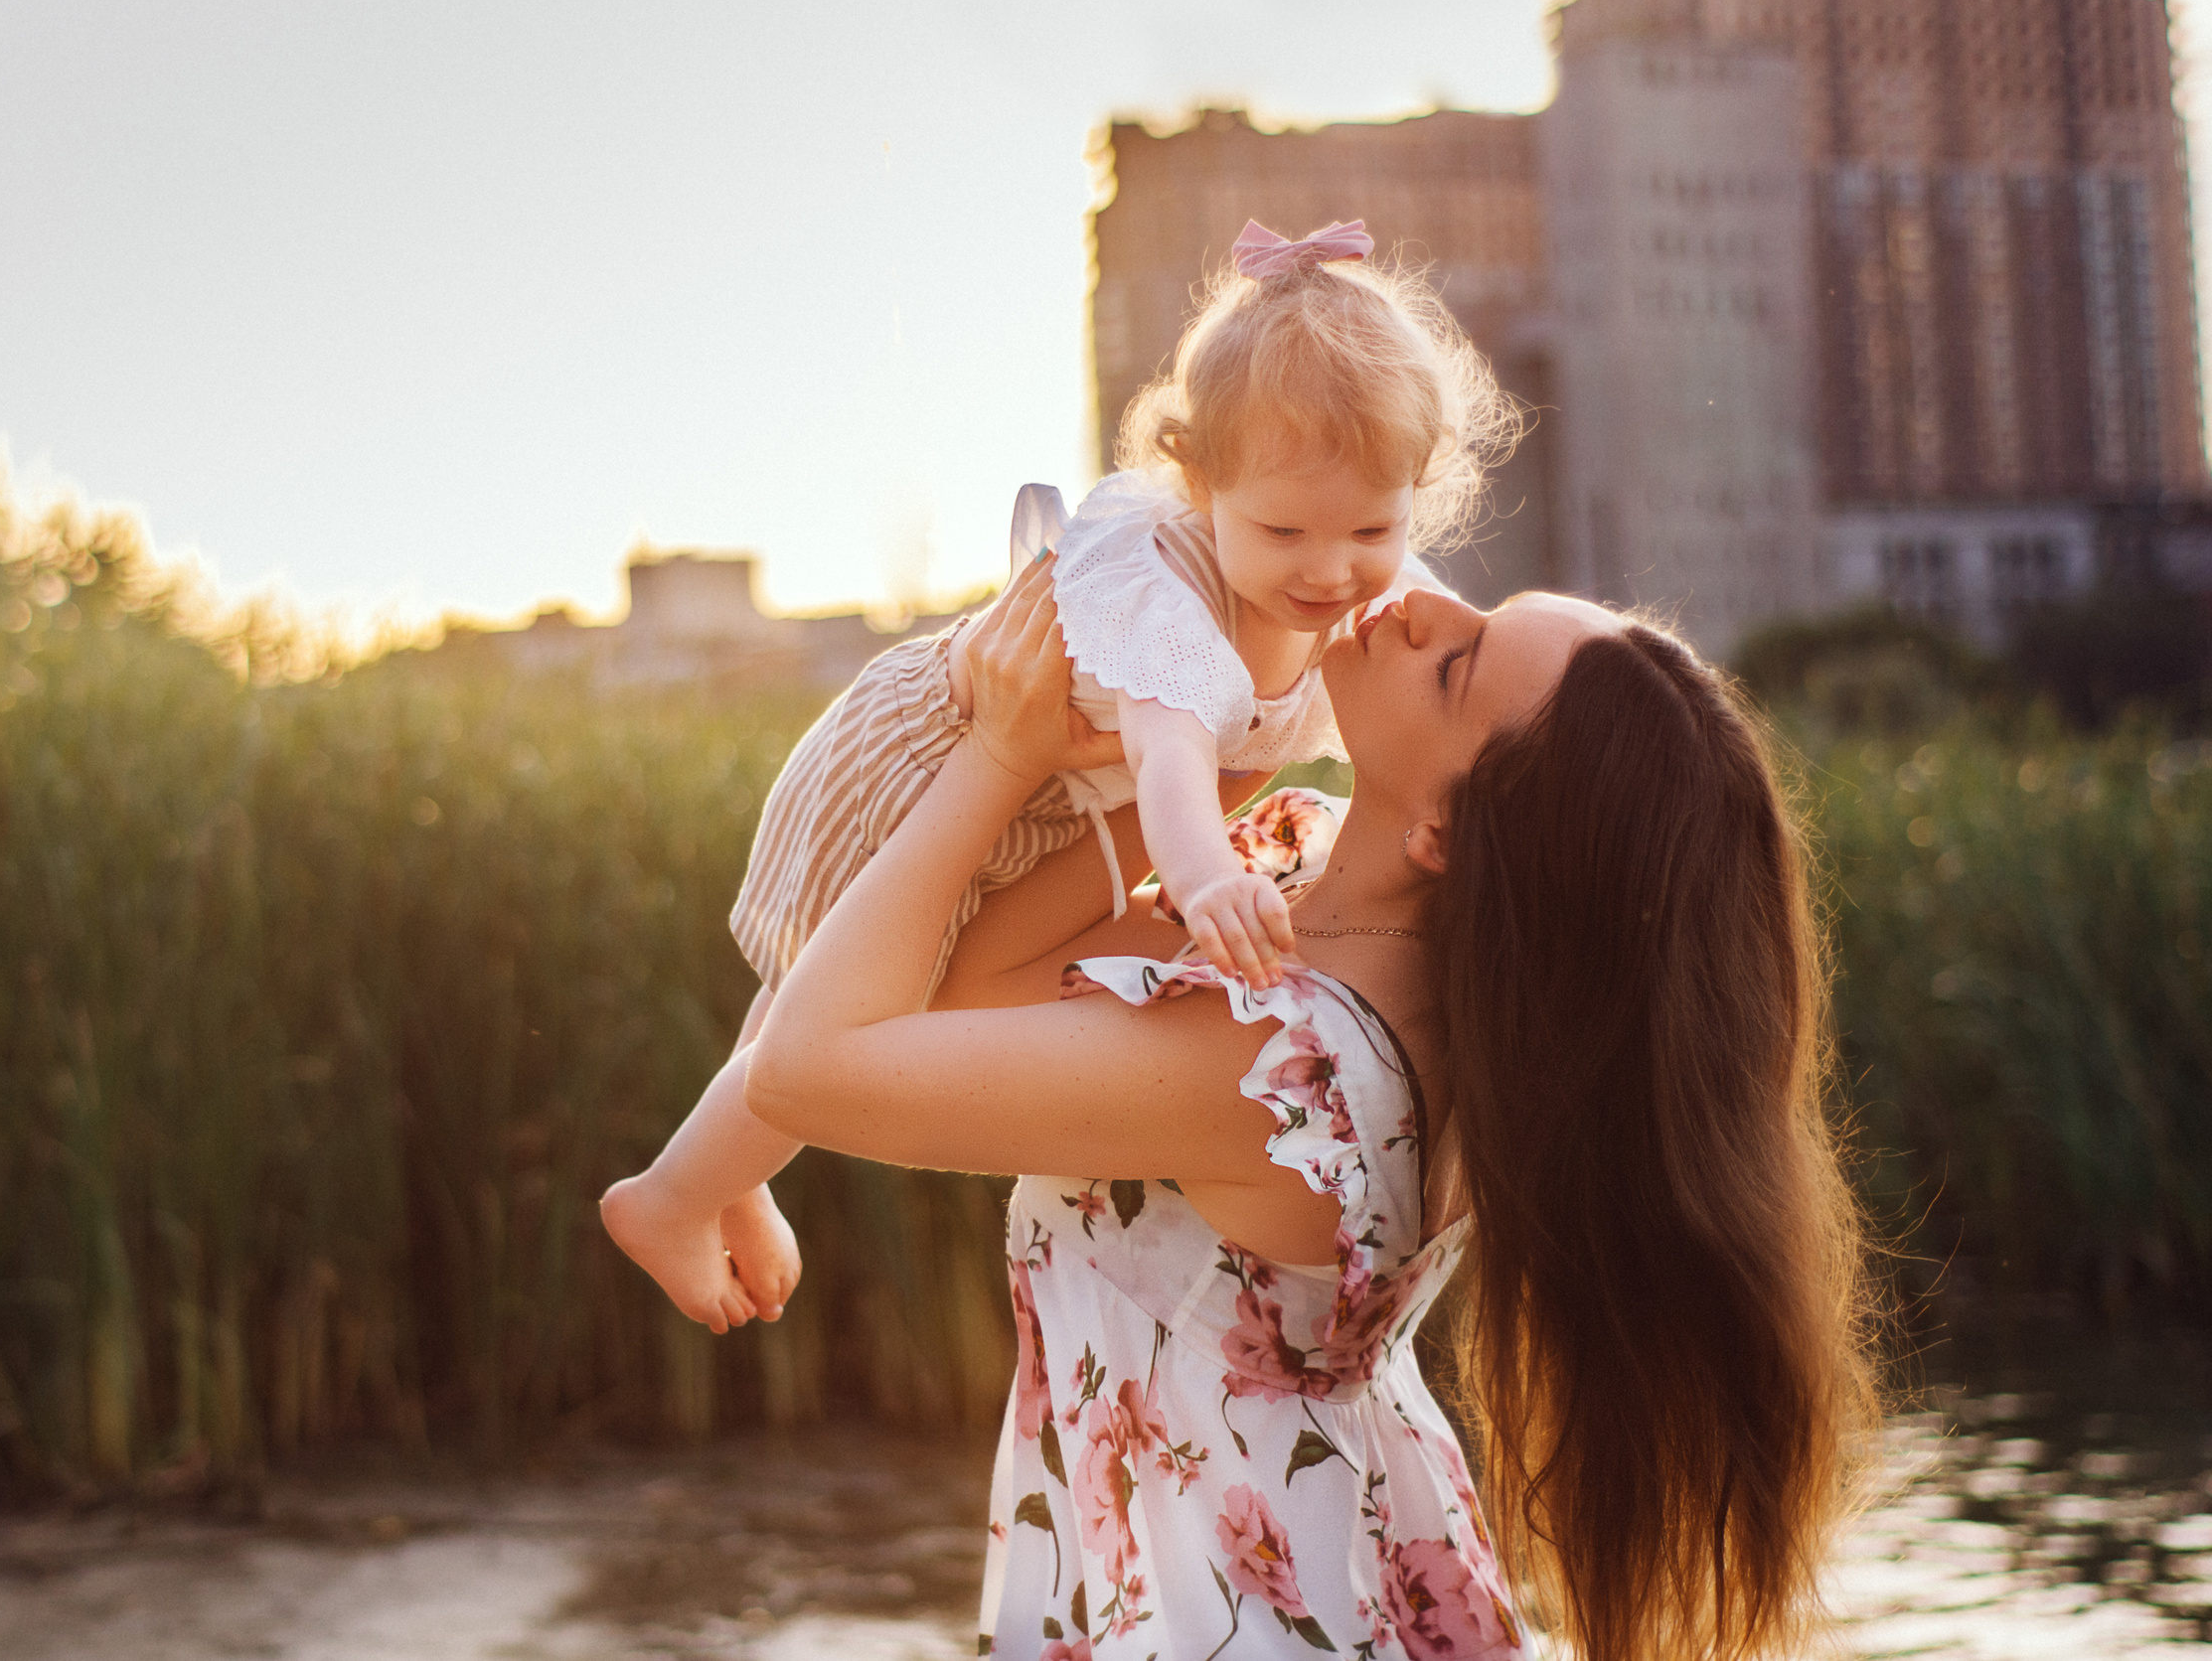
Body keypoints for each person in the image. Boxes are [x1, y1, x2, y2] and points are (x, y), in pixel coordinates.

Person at [746, 559, 1879, 1658]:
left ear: (1444, 830)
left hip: (1220, 1607)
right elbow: (983, 985)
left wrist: (999, 753)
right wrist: (1190, 747)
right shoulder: (1344, 925)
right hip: (1340, 1559)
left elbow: (802, 1070)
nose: (1418, 604)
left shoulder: (1279, 1067)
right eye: (1477, 606)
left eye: (1458, 662)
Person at [603, 219, 1517, 1334]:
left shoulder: (1376, 591)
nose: (1330, 570)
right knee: (837, 989)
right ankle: (676, 1192)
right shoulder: (1168, 607)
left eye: (1371, 527)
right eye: (1282, 531)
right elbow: (1178, 771)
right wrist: (1203, 877)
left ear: (1414, 494)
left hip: (1053, 797)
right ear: (1196, 483)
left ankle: (712, 1175)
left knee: (828, 999)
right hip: (940, 751)